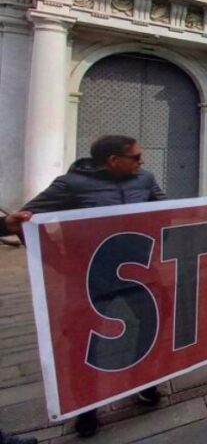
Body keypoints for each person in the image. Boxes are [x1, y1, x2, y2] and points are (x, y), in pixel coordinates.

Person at [3, 136, 165, 438]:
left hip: (138, 270)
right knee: (86, 341)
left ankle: (145, 381)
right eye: (135, 157)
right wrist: (58, 262)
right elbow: (25, 219)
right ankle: (85, 408)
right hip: (90, 276)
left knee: (153, 322)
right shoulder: (71, 185)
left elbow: (164, 206)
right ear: (113, 161)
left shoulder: (145, 179)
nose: (142, 162)